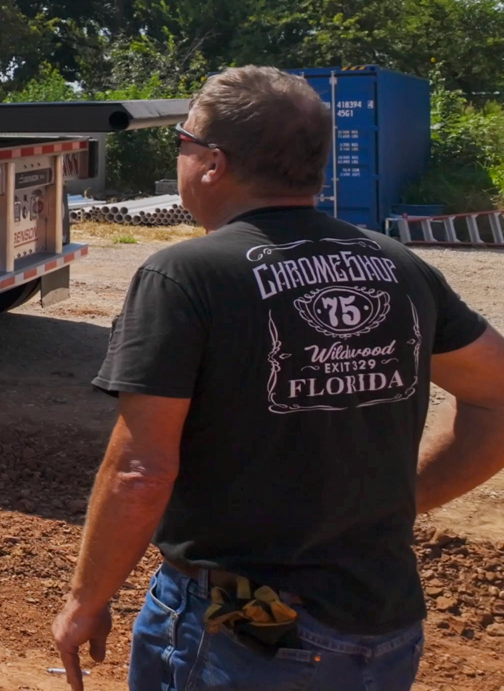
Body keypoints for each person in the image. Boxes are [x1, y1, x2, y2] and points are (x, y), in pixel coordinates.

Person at [51, 66, 504, 691]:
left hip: (245, 627)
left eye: (181, 141)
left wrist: (85, 601)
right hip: (384, 625)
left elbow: (140, 471)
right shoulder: (400, 268)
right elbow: (498, 396)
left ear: (212, 162)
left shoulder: (185, 277)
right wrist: (397, 503)